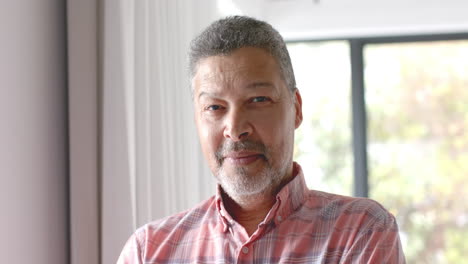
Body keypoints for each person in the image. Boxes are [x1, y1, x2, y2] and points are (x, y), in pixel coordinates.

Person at [118, 16, 405, 263]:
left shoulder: (361, 231)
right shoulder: (149, 251)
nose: (235, 128)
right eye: (215, 107)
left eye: (257, 99)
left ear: (296, 109)